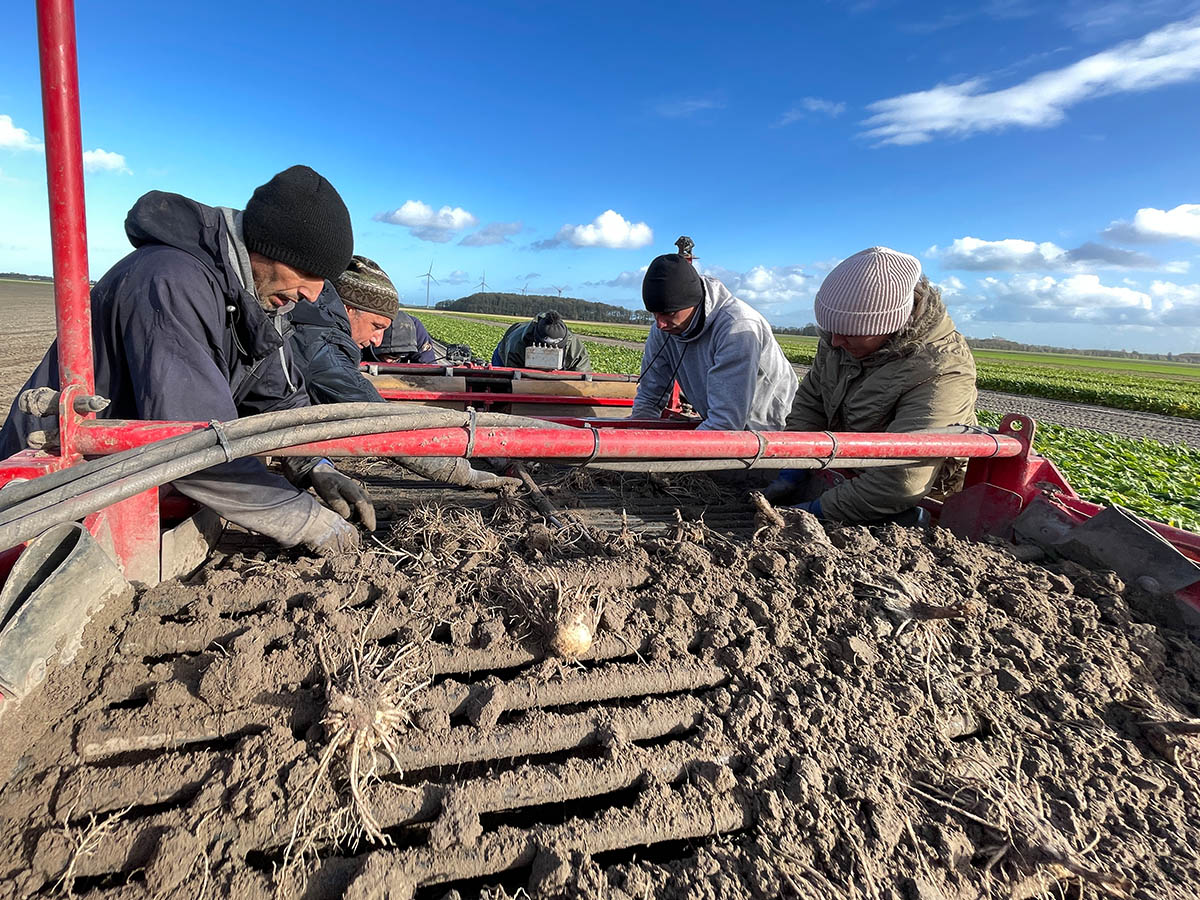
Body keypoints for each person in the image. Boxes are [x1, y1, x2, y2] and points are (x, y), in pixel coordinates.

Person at [0, 165, 374, 555]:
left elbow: (278, 400)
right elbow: (192, 442)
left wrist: (316, 466)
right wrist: (304, 519)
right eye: (309, 273)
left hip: (120, 478)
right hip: (44, 493)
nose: (314, 296)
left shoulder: (255, 299)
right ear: (267, 246)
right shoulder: (171, 281)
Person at [766, 246, 978, 524]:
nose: (836, 342)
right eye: (830, 331)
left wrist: (815, 512)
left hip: (909, 504)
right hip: (844, 478)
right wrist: (791, 468)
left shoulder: (941, 370)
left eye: (850, 334)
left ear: (890, 325)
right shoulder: (839, 341)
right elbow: (811, 402)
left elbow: (902, 481)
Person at [288, 256, 510, 489]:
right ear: (348, 308)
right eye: (376, 326)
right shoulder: (322, 351)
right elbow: (382, 422)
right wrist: (466, 475)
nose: (377, 340)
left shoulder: (309, 322)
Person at [629, 252, 797, 430]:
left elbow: (725, 423)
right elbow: (649, 398)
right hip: (721, 425)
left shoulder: (737, 326)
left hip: (773, 432)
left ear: (693, 301)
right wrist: (635, 434)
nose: (660, 324)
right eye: (654, 313)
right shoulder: (663, 329)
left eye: (669, 313)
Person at [491, 311, 591, 372]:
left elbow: (582, 375)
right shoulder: (517, 342)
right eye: (546, 349)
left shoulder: (574, 347)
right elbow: (513, 376)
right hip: (503, 355)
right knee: (501, 387)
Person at [363, 313, 439, 364]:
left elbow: (428, 365)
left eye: (395, 356)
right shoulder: (365, 328)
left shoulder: (416, 330)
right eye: (384, 355)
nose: (388, 361)